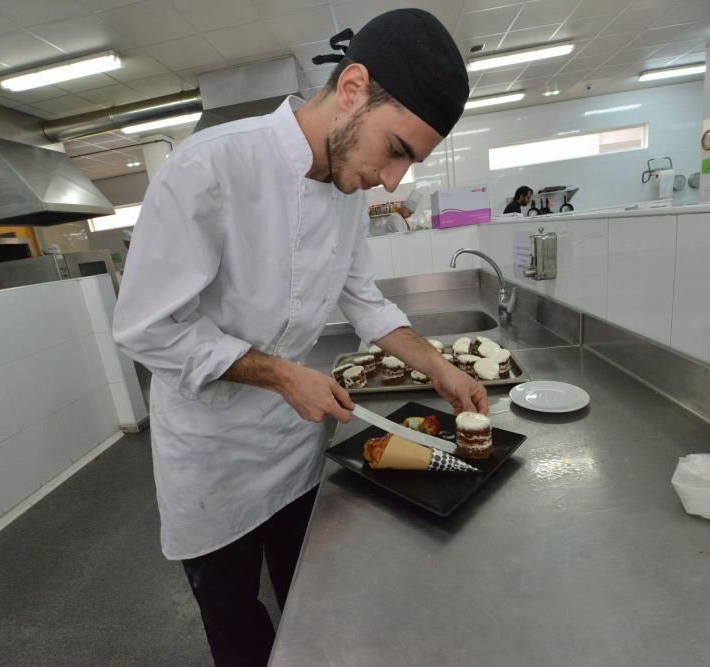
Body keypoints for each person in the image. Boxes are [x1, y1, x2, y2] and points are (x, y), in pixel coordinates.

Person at [112, 9, 482, 667]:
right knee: (238, 631)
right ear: (352, 89)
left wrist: (439, 366)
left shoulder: (346, 192)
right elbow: (147, 327)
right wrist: (285, 374)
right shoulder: (210, 169)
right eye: (396, 150)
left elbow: (364, 297)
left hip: (294, 451)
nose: (393, 179)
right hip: (211, 460)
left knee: (316, 608)